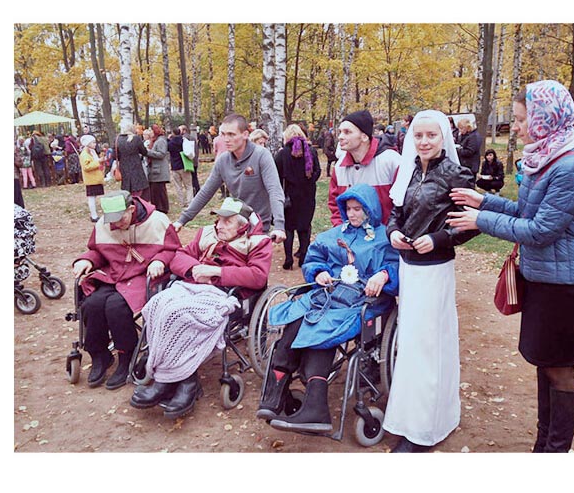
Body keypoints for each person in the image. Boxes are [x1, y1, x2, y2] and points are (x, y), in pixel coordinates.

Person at [446, 80, 574, 453]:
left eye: (519, 119)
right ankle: (543, 444)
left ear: (544, 118)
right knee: (544, 364)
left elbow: (541, 230)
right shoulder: (544, 159)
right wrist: (484, 201)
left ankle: (554, 451)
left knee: (559, 368)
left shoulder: (571, 167)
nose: (515, 126)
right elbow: (524, 212)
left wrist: (479, 221)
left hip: (565, 288)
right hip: (542, 280)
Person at [257, 184, 399, 432]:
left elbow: (398, 266)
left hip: (362, 300)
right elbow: (313, 259)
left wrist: (385, 275)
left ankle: (316, 407)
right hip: (327, 294)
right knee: (296, 317)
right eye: (349, 209)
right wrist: (319, 271)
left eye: (358, 209)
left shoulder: (384, 237)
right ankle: (277, 390)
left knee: (322, 328)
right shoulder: (333, 235)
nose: (352, 214)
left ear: (370, 210)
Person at [382, 109, 480, 453]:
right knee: (410, 344)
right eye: (418, 136)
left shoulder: (456, 174)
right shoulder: (408, 172)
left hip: (435, 269)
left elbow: (471, 224)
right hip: (409, 267)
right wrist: (393, 232)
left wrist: (438, 239)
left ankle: (426, 428)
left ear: (444, 138)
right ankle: (409, 419)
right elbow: (396, 212)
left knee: (429, 345)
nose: (424, 141)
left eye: (431, 136)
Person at [130, 197, 272, 417]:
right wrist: (197, 268)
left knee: (178, 314)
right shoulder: (206, 234)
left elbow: (258, 277)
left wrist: (217, 273)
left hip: (224, 293)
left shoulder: (258, 242)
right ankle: (167, 377)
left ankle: (185, 382)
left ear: (242, 225)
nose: (219, 225)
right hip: (191, 285)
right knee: (156, 305)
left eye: (227, 221)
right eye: (219, 220)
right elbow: (179, 256)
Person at [72, 190, 181, 390]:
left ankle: (125, 356)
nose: (115, 224)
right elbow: (97, 251)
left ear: (131, 209)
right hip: (113, 273)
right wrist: (86, 259)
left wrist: (159, 260)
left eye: (120, 218)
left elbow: (173, 249)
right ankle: (100, 355)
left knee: (116, 307)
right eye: (111, 219)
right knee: (92, 304)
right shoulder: (104, 224)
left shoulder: (158, 221)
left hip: (144, 275)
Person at [174, 114, 287, 243]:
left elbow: (275, 190)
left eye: (231, 134)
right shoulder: (223, 160)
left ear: (245, 134)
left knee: (256, 262)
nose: (226, 139)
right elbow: (206, 192)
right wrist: (182, 220)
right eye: (223, 134)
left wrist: (279, 225)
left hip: (258, 228)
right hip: (234, 227)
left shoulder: (261, 155)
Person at [327, 110, 401, 226]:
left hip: (387, 239)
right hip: (351, 240)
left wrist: (390, 233)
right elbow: (335, 205)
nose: (340, 137)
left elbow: (402, 205)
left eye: (347, 132)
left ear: (364, 136)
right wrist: (343, 232)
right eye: (340, 132)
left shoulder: (392, 161)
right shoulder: (339, 166)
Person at [274, 124, 321, 269]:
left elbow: (276, 175)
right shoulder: (311, 152)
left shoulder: (282, 154)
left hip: (290, 195)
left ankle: (288, 259)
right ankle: (303, 257)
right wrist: (309, 181)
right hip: (307, 195)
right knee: (304, 227)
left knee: (288, 227)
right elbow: (317, 171)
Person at [116, 123, 150, 200]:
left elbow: (115, 155)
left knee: (127, 187)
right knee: (138, 187)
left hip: (124, 166)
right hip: (135, 165)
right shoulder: (136, 139)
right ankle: (137, 203)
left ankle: (129, 202)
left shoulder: (117, 140)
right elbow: (144, 152)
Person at [145, 124, 171, 214]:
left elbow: (161, 154)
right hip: (154, 170)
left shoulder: (161, 141)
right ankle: (157, 207)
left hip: (159, 170)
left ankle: (162, 208)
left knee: (160, 190)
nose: (150, 133)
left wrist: (148, 152)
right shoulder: (155, 140)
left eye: (151, 131)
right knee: (155, 191)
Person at [79, 135, 104, 222]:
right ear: (88, 143)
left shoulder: (92, 152)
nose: (95, 144)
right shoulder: (84, 154)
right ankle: (93, 215)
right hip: (91, 179)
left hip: (95, 178)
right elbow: (86, 167)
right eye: (93, 142)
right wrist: (98, 162)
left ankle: (95, 214)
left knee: (94, 196)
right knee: (91, 198)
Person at [167, 127, 193, 207]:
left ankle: (181, 202)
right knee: (188, 185)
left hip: (175, 166)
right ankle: (190, 202)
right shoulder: (184, 141)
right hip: (184, 165)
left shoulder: (170, 143)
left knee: (178, 186)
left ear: (173, 133)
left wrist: (168, 139)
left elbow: (168, 150)